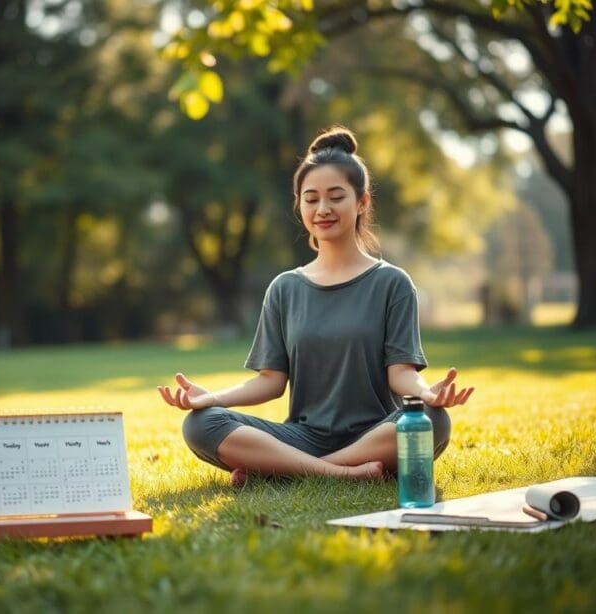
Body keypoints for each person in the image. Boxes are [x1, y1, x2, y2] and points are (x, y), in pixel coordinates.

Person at [157, 125, 474, 486]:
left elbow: (400, 375)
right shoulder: (284, 288)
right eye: (311, 199)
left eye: (336, 197)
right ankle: (341, 473)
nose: (323, 208)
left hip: (375, 432)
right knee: (201, 423)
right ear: (300, 206)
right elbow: (270, 382)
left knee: (433, 419)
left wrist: (427, 393)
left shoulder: (393, 283)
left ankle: (285, 471)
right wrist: (211, 398)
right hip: (303, 436)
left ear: (362, 202)